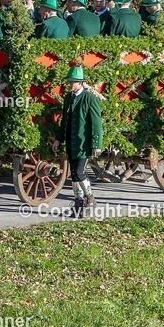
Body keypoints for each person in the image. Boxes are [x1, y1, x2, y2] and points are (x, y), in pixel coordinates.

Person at [52, 67, 103, 217]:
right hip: (71, 143)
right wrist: (58, 139)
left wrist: (96, 144)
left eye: (72, 82)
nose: (69, 84)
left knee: (80, 172)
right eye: (69, 82)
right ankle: (78, 205)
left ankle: (90, 198)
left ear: (80, 83)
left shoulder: (89, 98)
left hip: (83, 143)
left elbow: (96, 123)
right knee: (74, 174)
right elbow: (64, 121)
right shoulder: (69, 98)